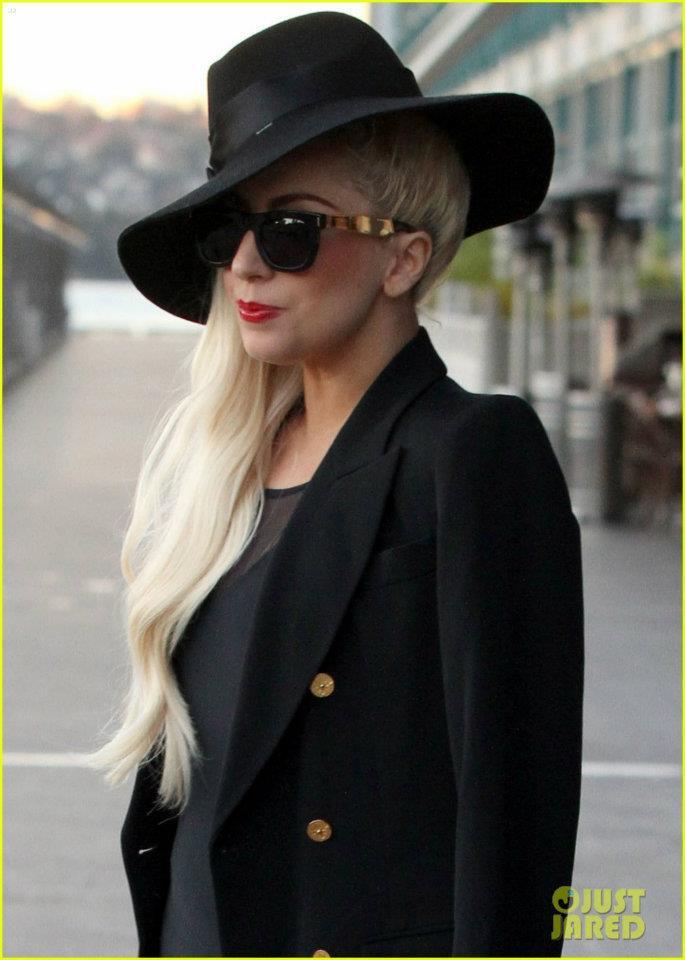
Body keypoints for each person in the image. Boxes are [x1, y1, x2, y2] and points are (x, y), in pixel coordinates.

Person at [85, 11, 584, 958]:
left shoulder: (471, 452)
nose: (246, 263)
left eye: (291, 230)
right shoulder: (226, 466)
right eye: (231, 229)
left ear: (404, 257)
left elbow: (516, 824)